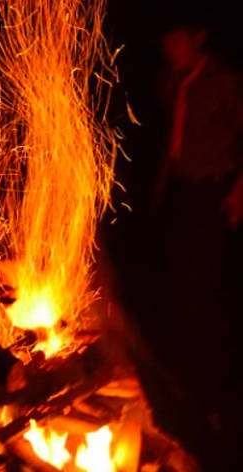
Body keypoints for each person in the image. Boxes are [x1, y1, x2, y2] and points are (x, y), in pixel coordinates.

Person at [152, 22, 243, 468]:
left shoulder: (225, 82)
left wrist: (240, 189)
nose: (169, 47)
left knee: (203, 289)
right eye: (166, 41)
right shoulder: (169, 80)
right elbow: (169, 135)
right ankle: (189, 378)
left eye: (177, 39)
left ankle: (214, 394)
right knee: (178, 286)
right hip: (180, 192)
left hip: (213, 189)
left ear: (199, 37)